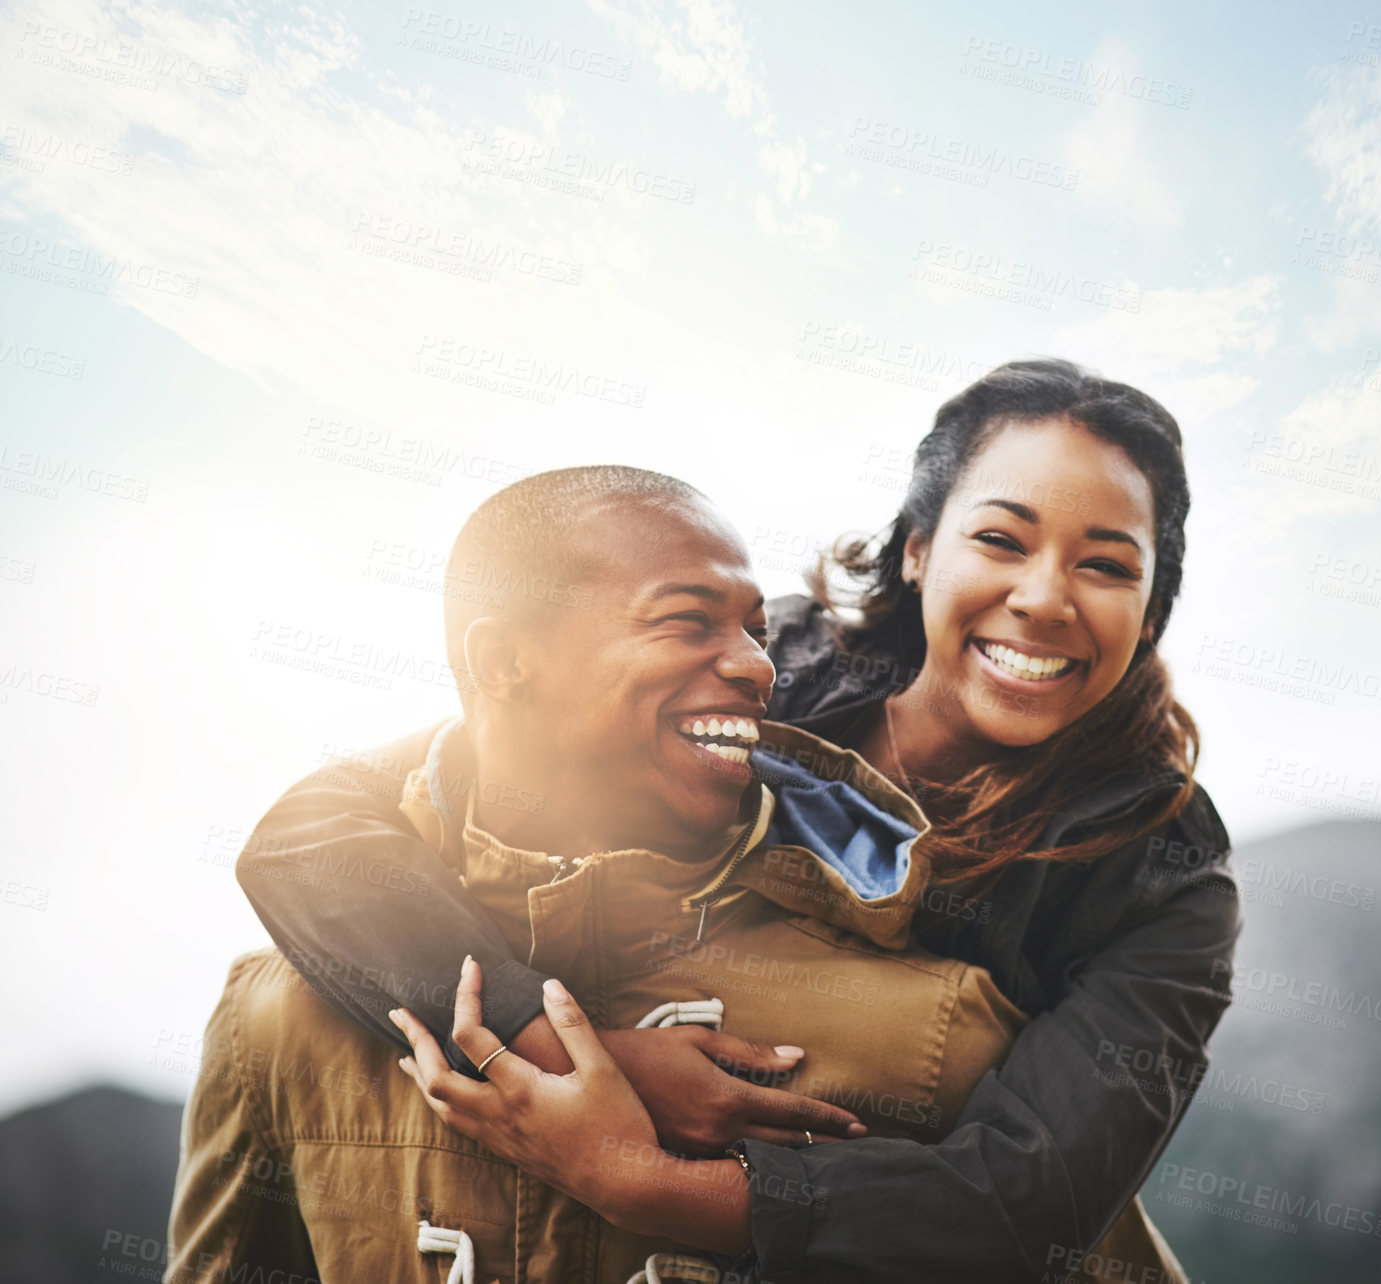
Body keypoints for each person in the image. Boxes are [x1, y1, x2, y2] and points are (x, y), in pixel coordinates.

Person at [229, 359, 1241, 1282]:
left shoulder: (1165, 866)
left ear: (1150, 610)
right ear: (920, 551)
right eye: (1001, 539)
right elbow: (316, 836)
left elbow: (1024, 1204)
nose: (1043, 597)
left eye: (1107, 566)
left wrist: (634, 1175)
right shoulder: (774, 669)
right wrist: (580, 1056)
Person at [165, 467, 1062, 1284]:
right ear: (504, 663)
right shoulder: (275, 1019)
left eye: (755, 629)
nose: (758, 665)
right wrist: (557, 1044)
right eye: (686, 620)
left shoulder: (933, 1029)